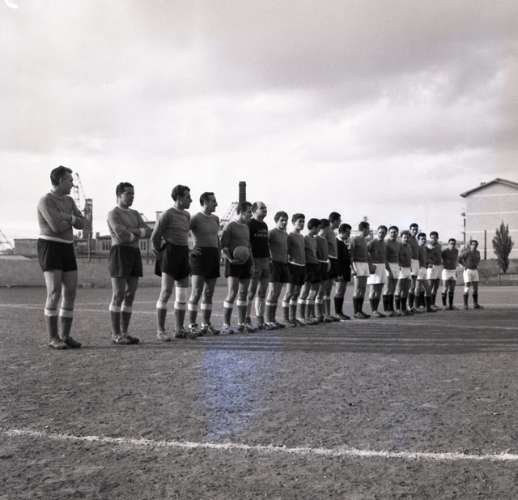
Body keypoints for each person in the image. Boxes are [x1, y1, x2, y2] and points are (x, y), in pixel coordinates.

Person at [37, 166, 85, 349]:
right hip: (50, 246)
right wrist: (71, 219)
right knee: (54, 291)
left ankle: (65, 335)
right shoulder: (45, 200)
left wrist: (68, 218)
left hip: (67, 247)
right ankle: (53, 338)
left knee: (70, 291)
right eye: (70, 180)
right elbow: (55, 227)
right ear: (60, 181)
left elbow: (82, 223)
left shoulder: (70, 201)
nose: (73, 184)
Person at [107, 182, 152, 345]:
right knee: (118, 294)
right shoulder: (113, 213)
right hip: (119, 252)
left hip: (134, 253)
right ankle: (116, 334)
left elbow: (148, 231)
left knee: (130, 294)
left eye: (133, 193)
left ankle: (125, 332)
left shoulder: (135, 213)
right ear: (119, 195)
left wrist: (131, 230)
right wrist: (137, 232)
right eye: (128, 193)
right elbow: (122, 236)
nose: (132, 196)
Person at [151, 185, 194, 340]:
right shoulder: (167, 214)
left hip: (183, 253)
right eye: (188, 197)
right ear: (179, 198)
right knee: (166, 291)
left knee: (182, 293)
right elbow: (155, 237)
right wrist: (161, 253)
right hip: (170, 253)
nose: (191, 200)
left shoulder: (187, 215)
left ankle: (179, 329)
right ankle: (161, 331)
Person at [187, 192, 221, 336]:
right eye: (213, 201)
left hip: (213, 256)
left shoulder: (216, 218)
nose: (216, 204)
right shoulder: (195, 218)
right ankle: (192, 325)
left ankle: (206, 324)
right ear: (205, 202)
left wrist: (219, 253)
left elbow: (216, 238)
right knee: (196, 292)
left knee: (209, 292)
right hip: (199, 257)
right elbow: (182, 232)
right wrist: (190, 249)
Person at [220, 201, 254, 334]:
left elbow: (248, 247)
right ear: (240, 212)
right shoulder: (230, 226)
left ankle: (241, 323)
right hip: (233, 263)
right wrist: (230, 259)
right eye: (249, 212)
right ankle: (226, 325)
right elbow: (223, 246)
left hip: (246, 262)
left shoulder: (246, 227)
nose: (251, 214)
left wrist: (251, 263)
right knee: (232, 293)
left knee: (243, 293)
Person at [246, 201, 271, 330]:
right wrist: (251, 261)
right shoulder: (250, 224)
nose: (265, 209)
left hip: (265, 260)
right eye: (262, 208)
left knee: (262, 292)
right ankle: (246, 318)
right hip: (255, 260)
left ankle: (260, 319)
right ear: (254, 210)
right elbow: (248, 243)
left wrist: (269, 258)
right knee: (251, 292)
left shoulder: (265, 225)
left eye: (265, 208)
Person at [264, 211, 290, 329]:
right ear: (276, 221)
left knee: (277, 293)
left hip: (284, 264)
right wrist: (268, 259)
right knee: (272, 292)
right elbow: (264, 245)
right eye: (282, 220)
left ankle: (273, 319)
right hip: (274, 264)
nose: (284, 222)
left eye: (286, 220)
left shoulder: (286, 234)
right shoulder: (271, 233)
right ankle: (268, 320)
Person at [283, 213, 306, 327]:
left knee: (296, 293)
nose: (302, 224)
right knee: (289, 293)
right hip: (292, 266)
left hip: (302, 266)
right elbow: (285, 250)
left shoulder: (302, 236)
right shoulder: (290, 236)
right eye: (299, 221)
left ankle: (293, 318)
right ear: (293, 223)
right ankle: (286, 318)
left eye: (303, 221)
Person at [298, 218, 321, 325]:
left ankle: (309, 316)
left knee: (314, 292)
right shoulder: (305, 238)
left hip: (315, 266)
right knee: (305, 292)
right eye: (318, 228)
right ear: (314, 227)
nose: (319, 230)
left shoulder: (315, 239)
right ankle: (301, 316)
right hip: (308, 267)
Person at [350, 221, 371, 319]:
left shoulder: (365, 240)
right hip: (357, 264)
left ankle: (360, 310)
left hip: (364, 264)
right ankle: (356, 312)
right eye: (368, 228)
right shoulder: (355, 239)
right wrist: (352, 268)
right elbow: (351, 255)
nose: (369, 230)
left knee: (363, 288)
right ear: (363, 229)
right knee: (357, 288)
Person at [323, 212, 342, 321]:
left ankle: (327, 314)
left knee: (329, 289)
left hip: (334, 260)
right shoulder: (326, 231)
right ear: (334, 220)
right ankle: (323, 314)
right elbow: (320, 244)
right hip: (328, 260)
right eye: (339, 220)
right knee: (324, 289)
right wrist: (326, 259)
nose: (340, 222)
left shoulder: (333, 232)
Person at [366, 225, 387, 318]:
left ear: (385, 233)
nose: (381, 234)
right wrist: (370, 265)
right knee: (373, 289)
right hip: (374, 266)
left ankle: (376, 310)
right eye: (380, 232)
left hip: (382, 266)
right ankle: (373, 310)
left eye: (383, 232)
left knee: (379, 289)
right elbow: (366, 253)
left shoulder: (384, 243)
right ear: (377, 232)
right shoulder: (372, 242)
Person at [315, 219, 332, 322]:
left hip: (325, 265)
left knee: (322, 291)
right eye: (329, 227)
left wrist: (328, 261)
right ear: (325, 227)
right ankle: (317, 314)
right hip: (318, 265)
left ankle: (322, 314)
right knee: (318, 291)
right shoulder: (316, 238)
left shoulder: (325, 239)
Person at [335, 223, 352, 320]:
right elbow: (337, 260)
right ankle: (337, 312)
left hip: (346, 270)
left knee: (342, 291)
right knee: (339, 291)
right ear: (341, 232)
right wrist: (339, 273)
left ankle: (340, 312)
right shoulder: (336, 242)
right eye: (347, 233)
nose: (349, 235)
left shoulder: (344, 242)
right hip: (340, 271)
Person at [459, 240, 482, 310]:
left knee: (476, 288)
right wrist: (463, 266)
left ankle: (475, 304)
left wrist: (477, 265)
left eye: (475, 245)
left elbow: (478, 259)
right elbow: (459, 259)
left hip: (475, 270)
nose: (474, 246)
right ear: (470, 245)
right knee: (467, 286)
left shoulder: (478, 252)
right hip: (468, 271)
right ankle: (465, 305)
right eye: (473, 244)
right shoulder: (467, 252)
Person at [415, 232, 435, 313]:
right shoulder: (417, 248)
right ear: (418, 240)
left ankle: (427, 307)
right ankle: (416, 307)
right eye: (422, 239)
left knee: (427, 288)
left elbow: (427, 256)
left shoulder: (424, 248)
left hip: (424, 269)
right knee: (418, 288)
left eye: (424, 239)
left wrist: (428, 263)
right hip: (418, 269)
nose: (424, 240)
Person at [382, 226, 400, 316]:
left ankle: (391, 309)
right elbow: (384, 257)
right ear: (389, 233)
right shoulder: (386, 242)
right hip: (388, 265)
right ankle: (386, 309)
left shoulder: (398, 243)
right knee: (387, 288)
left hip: (396, 265)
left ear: (397, 233)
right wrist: (388, 270)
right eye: (392, 232)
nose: (393, 234)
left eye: (395, 232)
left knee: (393, 288)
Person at [394, 230, 412, 315]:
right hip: (401, 269)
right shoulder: (398, 245)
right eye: (404, 237)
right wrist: (398, 265)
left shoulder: (409, 246)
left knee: (406, 289)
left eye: (407, 237)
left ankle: (404, 308)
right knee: (399, 289)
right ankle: (398, 309)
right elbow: (396, 256)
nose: (406, 239)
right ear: (401, 237)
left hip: (408, 269)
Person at [441, 238, 459, 310]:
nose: (452, 245)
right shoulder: (444, 251)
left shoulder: (456, 251)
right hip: (446, 271)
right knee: (445, 288)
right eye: (451, 243)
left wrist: (456, 270)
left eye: (454, 244)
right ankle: (444, 305)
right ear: (448, 244)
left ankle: (451, 305)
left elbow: (455, 261)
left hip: (453, 271)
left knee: (452, 289)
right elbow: (440, 259)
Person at [426, 231, 442, 311]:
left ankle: (433, 304)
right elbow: (425, 255)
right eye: (432, 238)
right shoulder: (428, 246)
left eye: (435, 237)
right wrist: (428, 262)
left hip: (439, 267)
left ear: (437, 238)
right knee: (430, 286)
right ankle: (428, 305)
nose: (433, 239)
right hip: (432, 267)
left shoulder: (439, 245)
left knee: (436, 287)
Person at [408, 223, 420, 313]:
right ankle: (409, 306)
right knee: (410, 286)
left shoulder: (415, 239)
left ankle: (411, 306)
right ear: (410, 230)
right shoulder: (408, 239)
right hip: (410, 262)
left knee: (413, 286)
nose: (415, 231)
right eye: (413, 229)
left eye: (416, 229)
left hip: (416, 262)